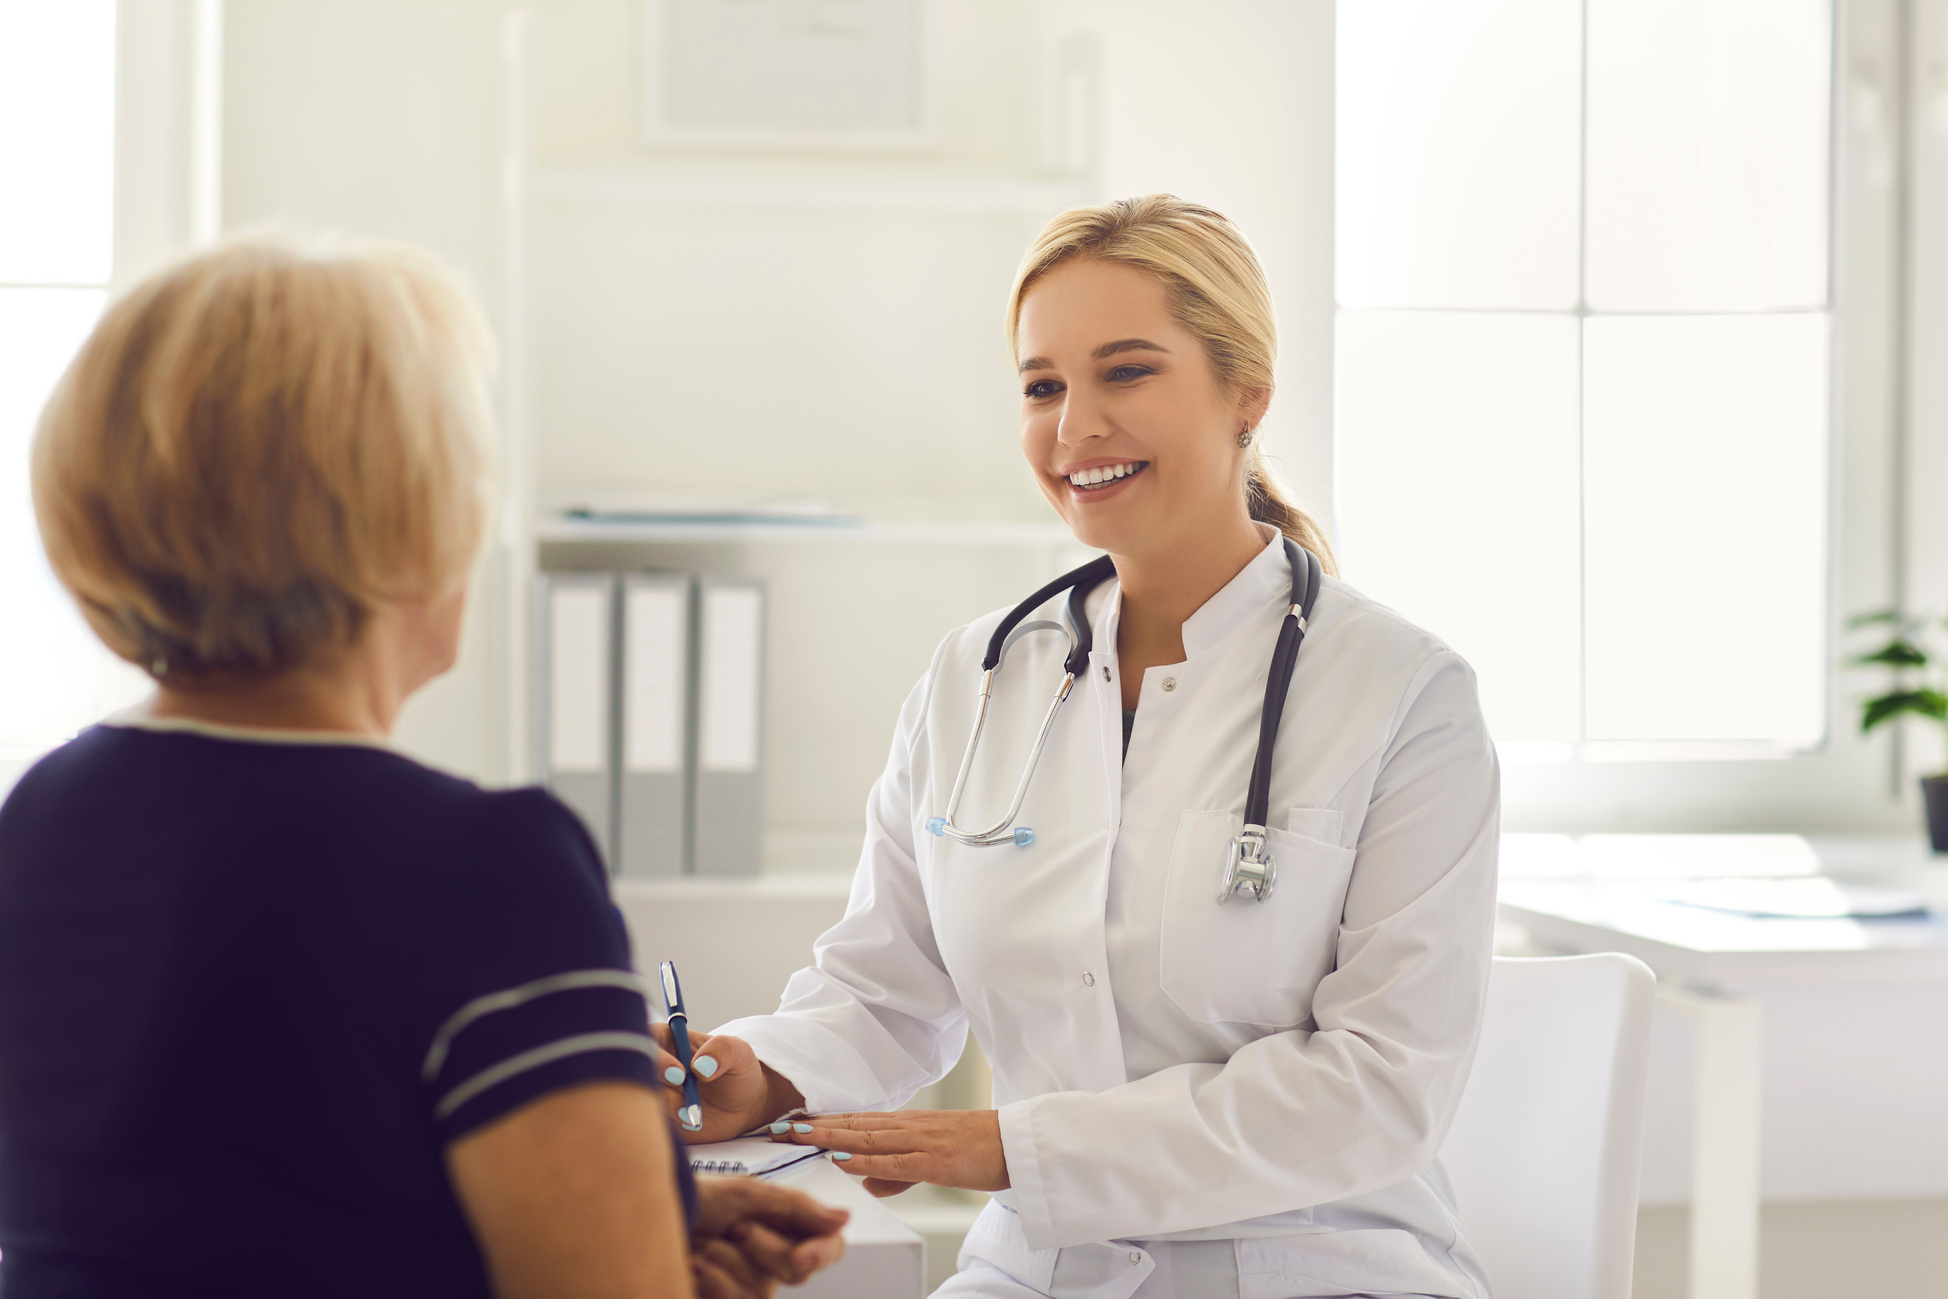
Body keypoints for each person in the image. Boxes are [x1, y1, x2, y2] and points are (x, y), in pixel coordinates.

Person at [654, 196, 1500, 1298]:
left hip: (1314, 1264)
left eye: (1127, 373)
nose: (1074, 428)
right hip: (1038, 1272)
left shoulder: (1402, 696)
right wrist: (757, 1074)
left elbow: (1379, 1088)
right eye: (1042, 386)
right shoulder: (977, 678)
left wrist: (1018, 1148)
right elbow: (883, 990)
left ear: (1248, 395)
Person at [0, 236, 846, 1299]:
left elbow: (229, 1202)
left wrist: (652, 1210)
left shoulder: (42, 817)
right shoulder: (488, 867)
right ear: (412, 518)